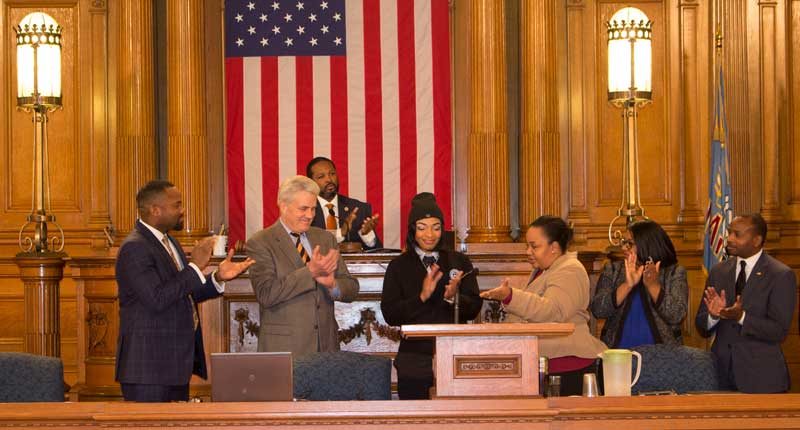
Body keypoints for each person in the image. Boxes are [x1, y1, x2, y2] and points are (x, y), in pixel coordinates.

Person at [115, 180, 255, 402]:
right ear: (155, 210)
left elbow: (183, 293)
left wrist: (217, 277)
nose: (183, 210)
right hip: (148, 368)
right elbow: (157, 299)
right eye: (177, 205)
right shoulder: (135, 247)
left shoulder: (168, 241)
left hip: (174, 365)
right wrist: (194, 267)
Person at [480, 215, 607, 396]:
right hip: (548, 362)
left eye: (534, 246)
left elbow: (553, 311)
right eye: (527, 246)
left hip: (566, 365)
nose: (528, 252)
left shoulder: (569, 269)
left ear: (554, 247)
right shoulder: (546, 270)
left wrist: (510, 297)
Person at [380, 193, 482, 399]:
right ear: (412, 230)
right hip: (414, 358)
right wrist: (422, 297)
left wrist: (454, 298)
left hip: (455, 354)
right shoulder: (398, 266)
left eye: (436, 227)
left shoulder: (459, 261)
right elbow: (390, 314)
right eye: (422, 227)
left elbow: (475, 307)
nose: (430, 234)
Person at [246, 175, 360, 356]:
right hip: (284, 350)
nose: (310, 215)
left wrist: (333, 285)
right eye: (303, 209)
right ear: (283, 206)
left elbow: (352, 288)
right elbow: (266, 294)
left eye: (313, 209)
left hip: (326, 349)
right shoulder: (260, 242)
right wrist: (310, 272)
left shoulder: (325, 238)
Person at [695, 213, 796, 393]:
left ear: (757, 240)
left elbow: (779, 331)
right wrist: (713, 316)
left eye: (737, 234)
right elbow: (701, 326)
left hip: (761, 377)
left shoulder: (780, 275)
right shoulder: (718, 272)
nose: (729, 239)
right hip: (720, 375)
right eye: (729, 233)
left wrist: (741, 317)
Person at [591, 219, 688, 349]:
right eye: (623, 243)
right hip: (619, 356)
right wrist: (627, 285)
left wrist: (654, 286)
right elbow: (598, 310)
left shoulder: (674, 273)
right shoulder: (613, 270)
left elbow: (677, 315)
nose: (623, 247)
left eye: (629, 243)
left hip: (663, 359)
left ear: (646, 245)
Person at [306, 157, 382, 250]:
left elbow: (377, 251)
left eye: (332, 174)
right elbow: (305, 243)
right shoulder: (305, 210)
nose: (329, 179)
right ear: (311, 182)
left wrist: (366, 235)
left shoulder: (358, 209)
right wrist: (341, 232)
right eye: (321, 176)